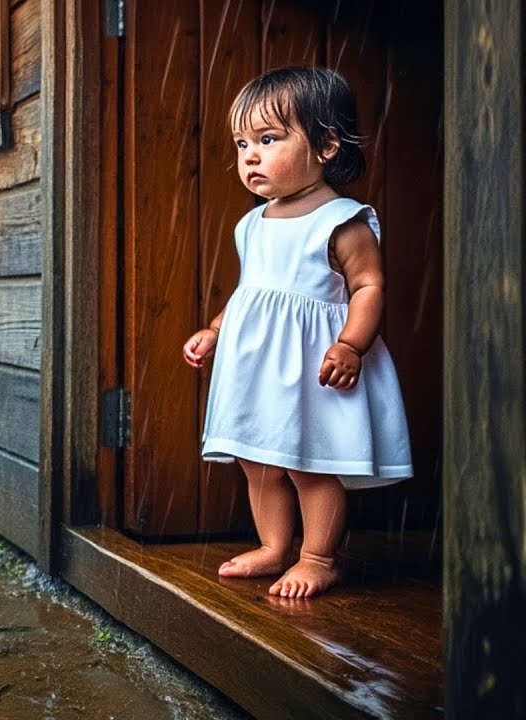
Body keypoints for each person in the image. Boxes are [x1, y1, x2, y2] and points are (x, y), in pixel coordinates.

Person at [181, 66, 412, 599]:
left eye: (268, 139)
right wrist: (215, 330)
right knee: (257, 459)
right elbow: (252, 291)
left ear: (326, 145)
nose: (250, 156)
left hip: (313, 364)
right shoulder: (253, 222)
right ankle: (273, 545)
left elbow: (369, 286)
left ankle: (318, 556)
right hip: (257, 364)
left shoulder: (342, 221)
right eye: (242, 143)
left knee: (310, 460)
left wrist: (352, 344)